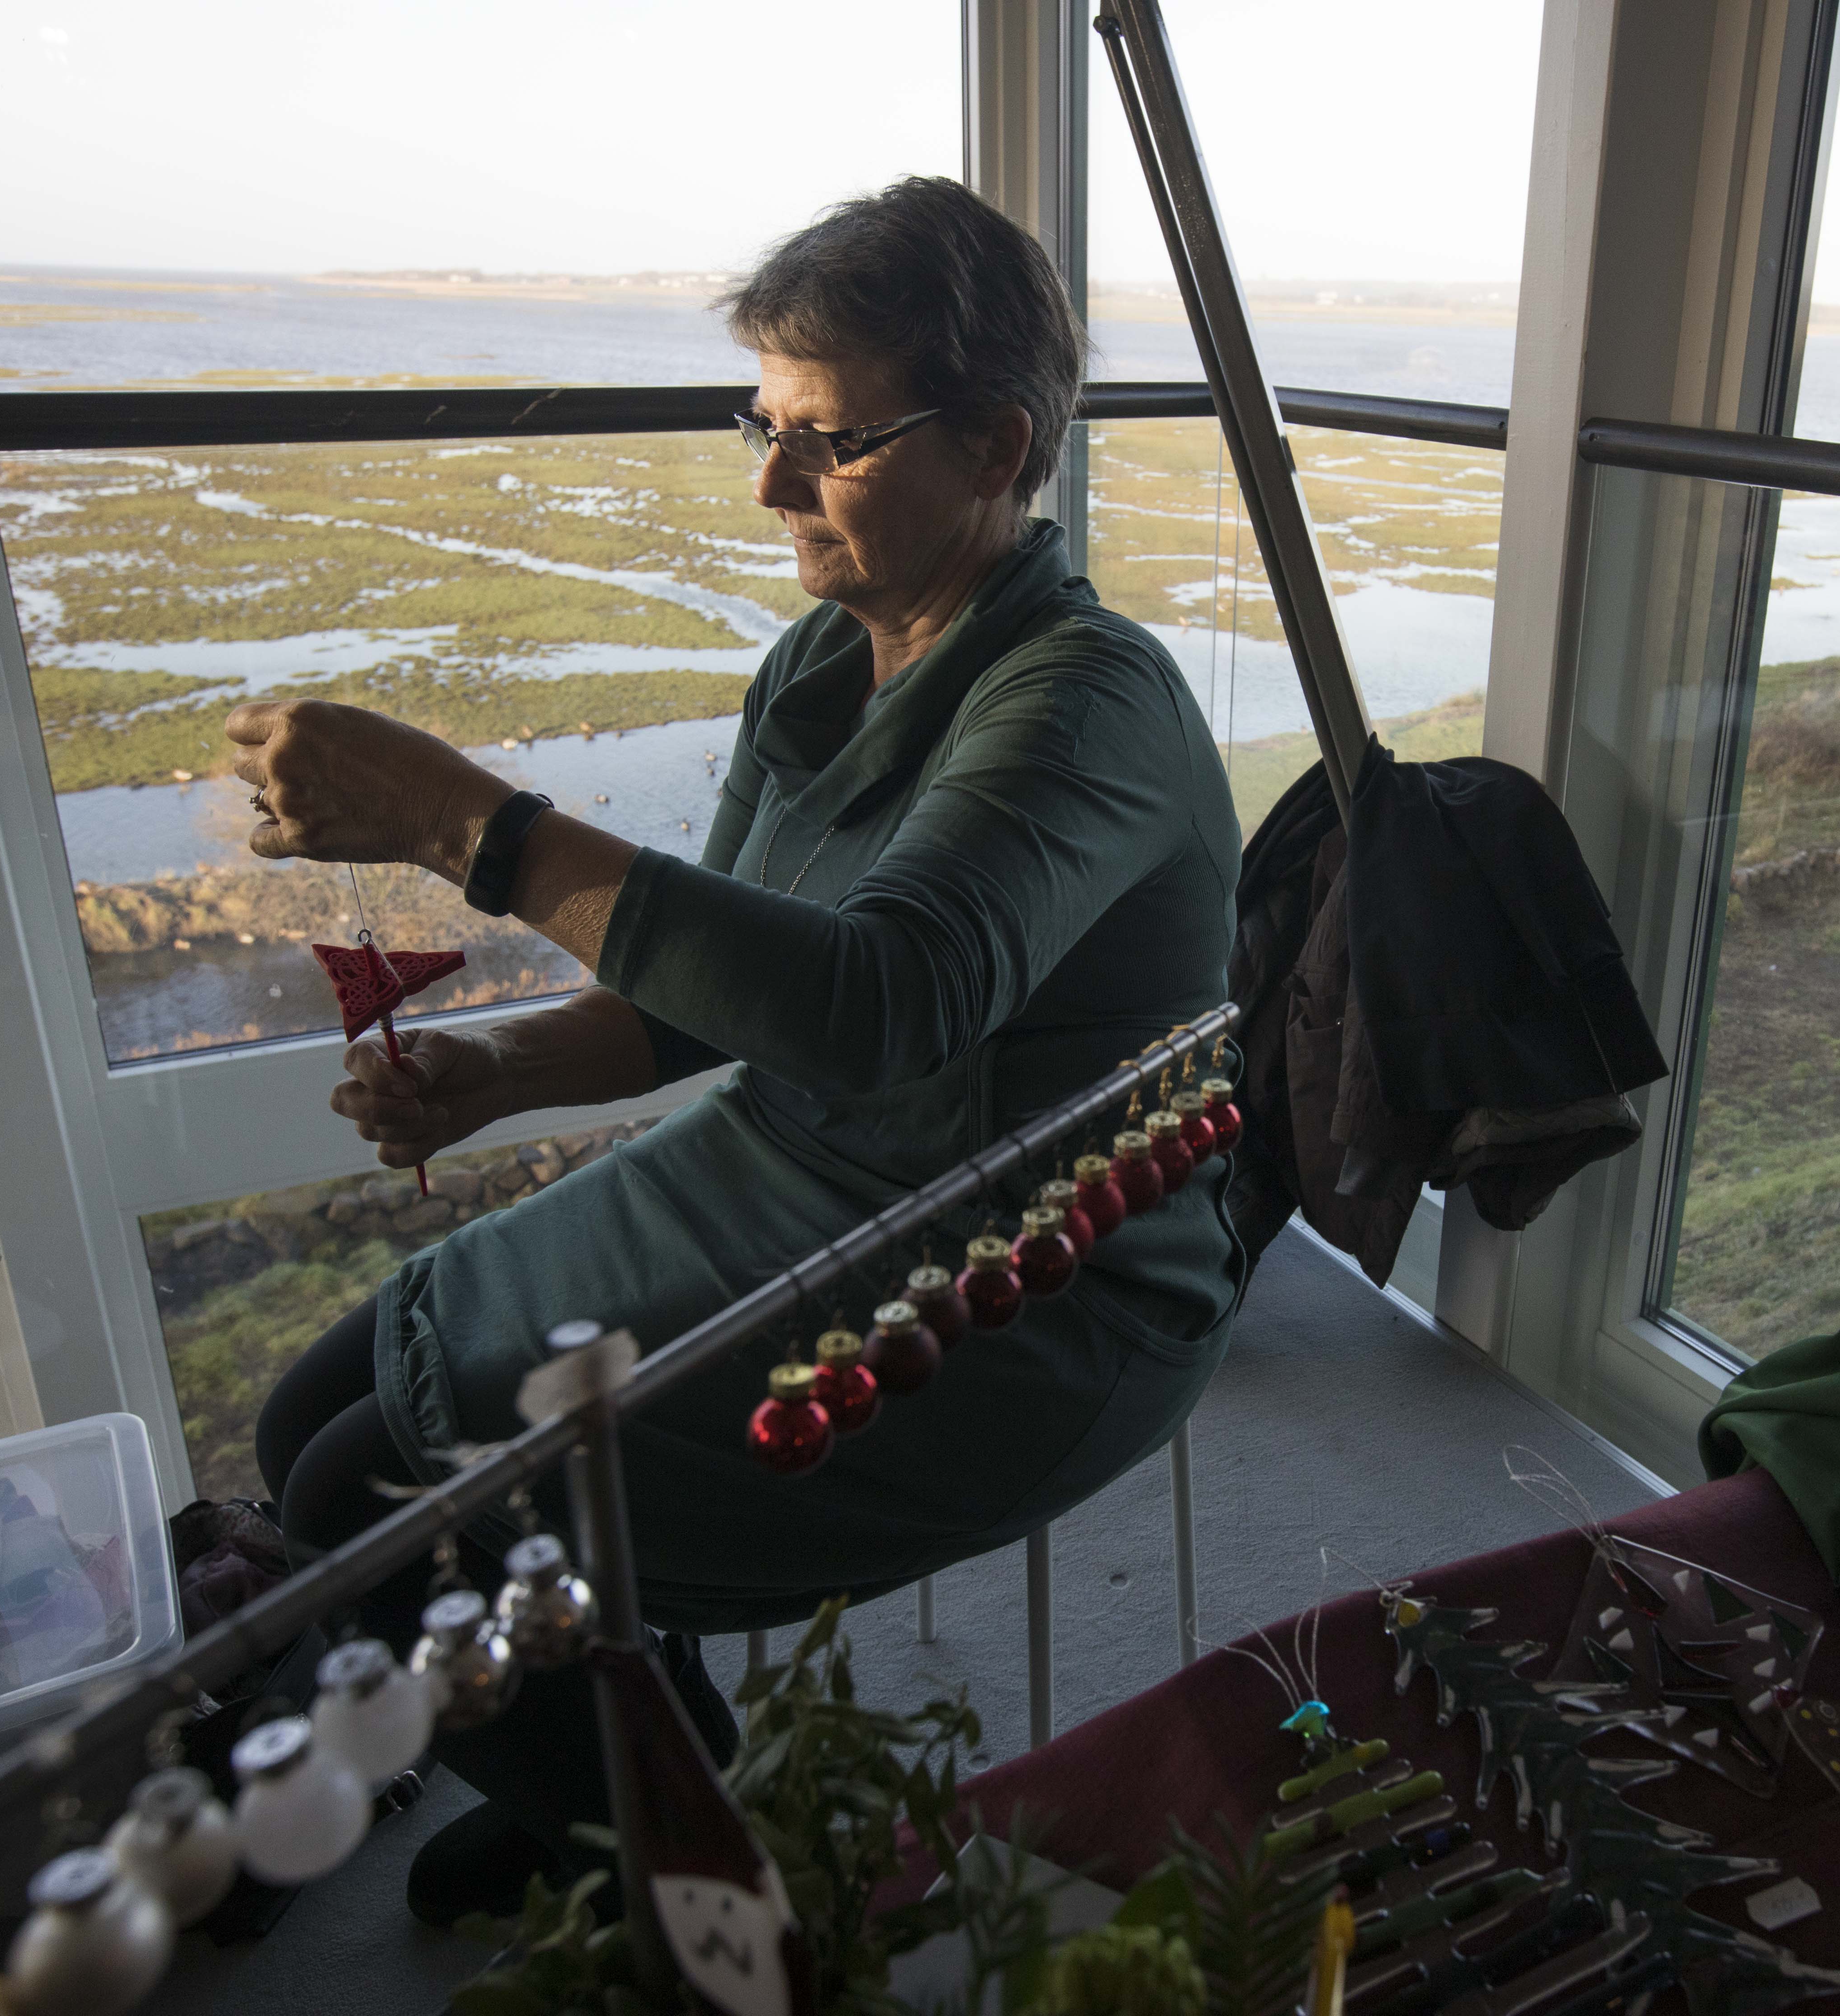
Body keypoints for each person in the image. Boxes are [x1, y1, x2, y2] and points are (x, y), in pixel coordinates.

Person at [238, 176, 1243, 1923]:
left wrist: (462, 819)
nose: (769, 486)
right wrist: (509, 1074)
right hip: (810, 1169)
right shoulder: (820, 667)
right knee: (304, 1417)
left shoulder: (1088, 704)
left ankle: (676, 1875)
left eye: (828, 442)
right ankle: (631, 1767)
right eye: (763, 427)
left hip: (1021, 1260)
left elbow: (877, 1004)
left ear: (1000, 442)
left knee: (381, 1509)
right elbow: (743, 983)